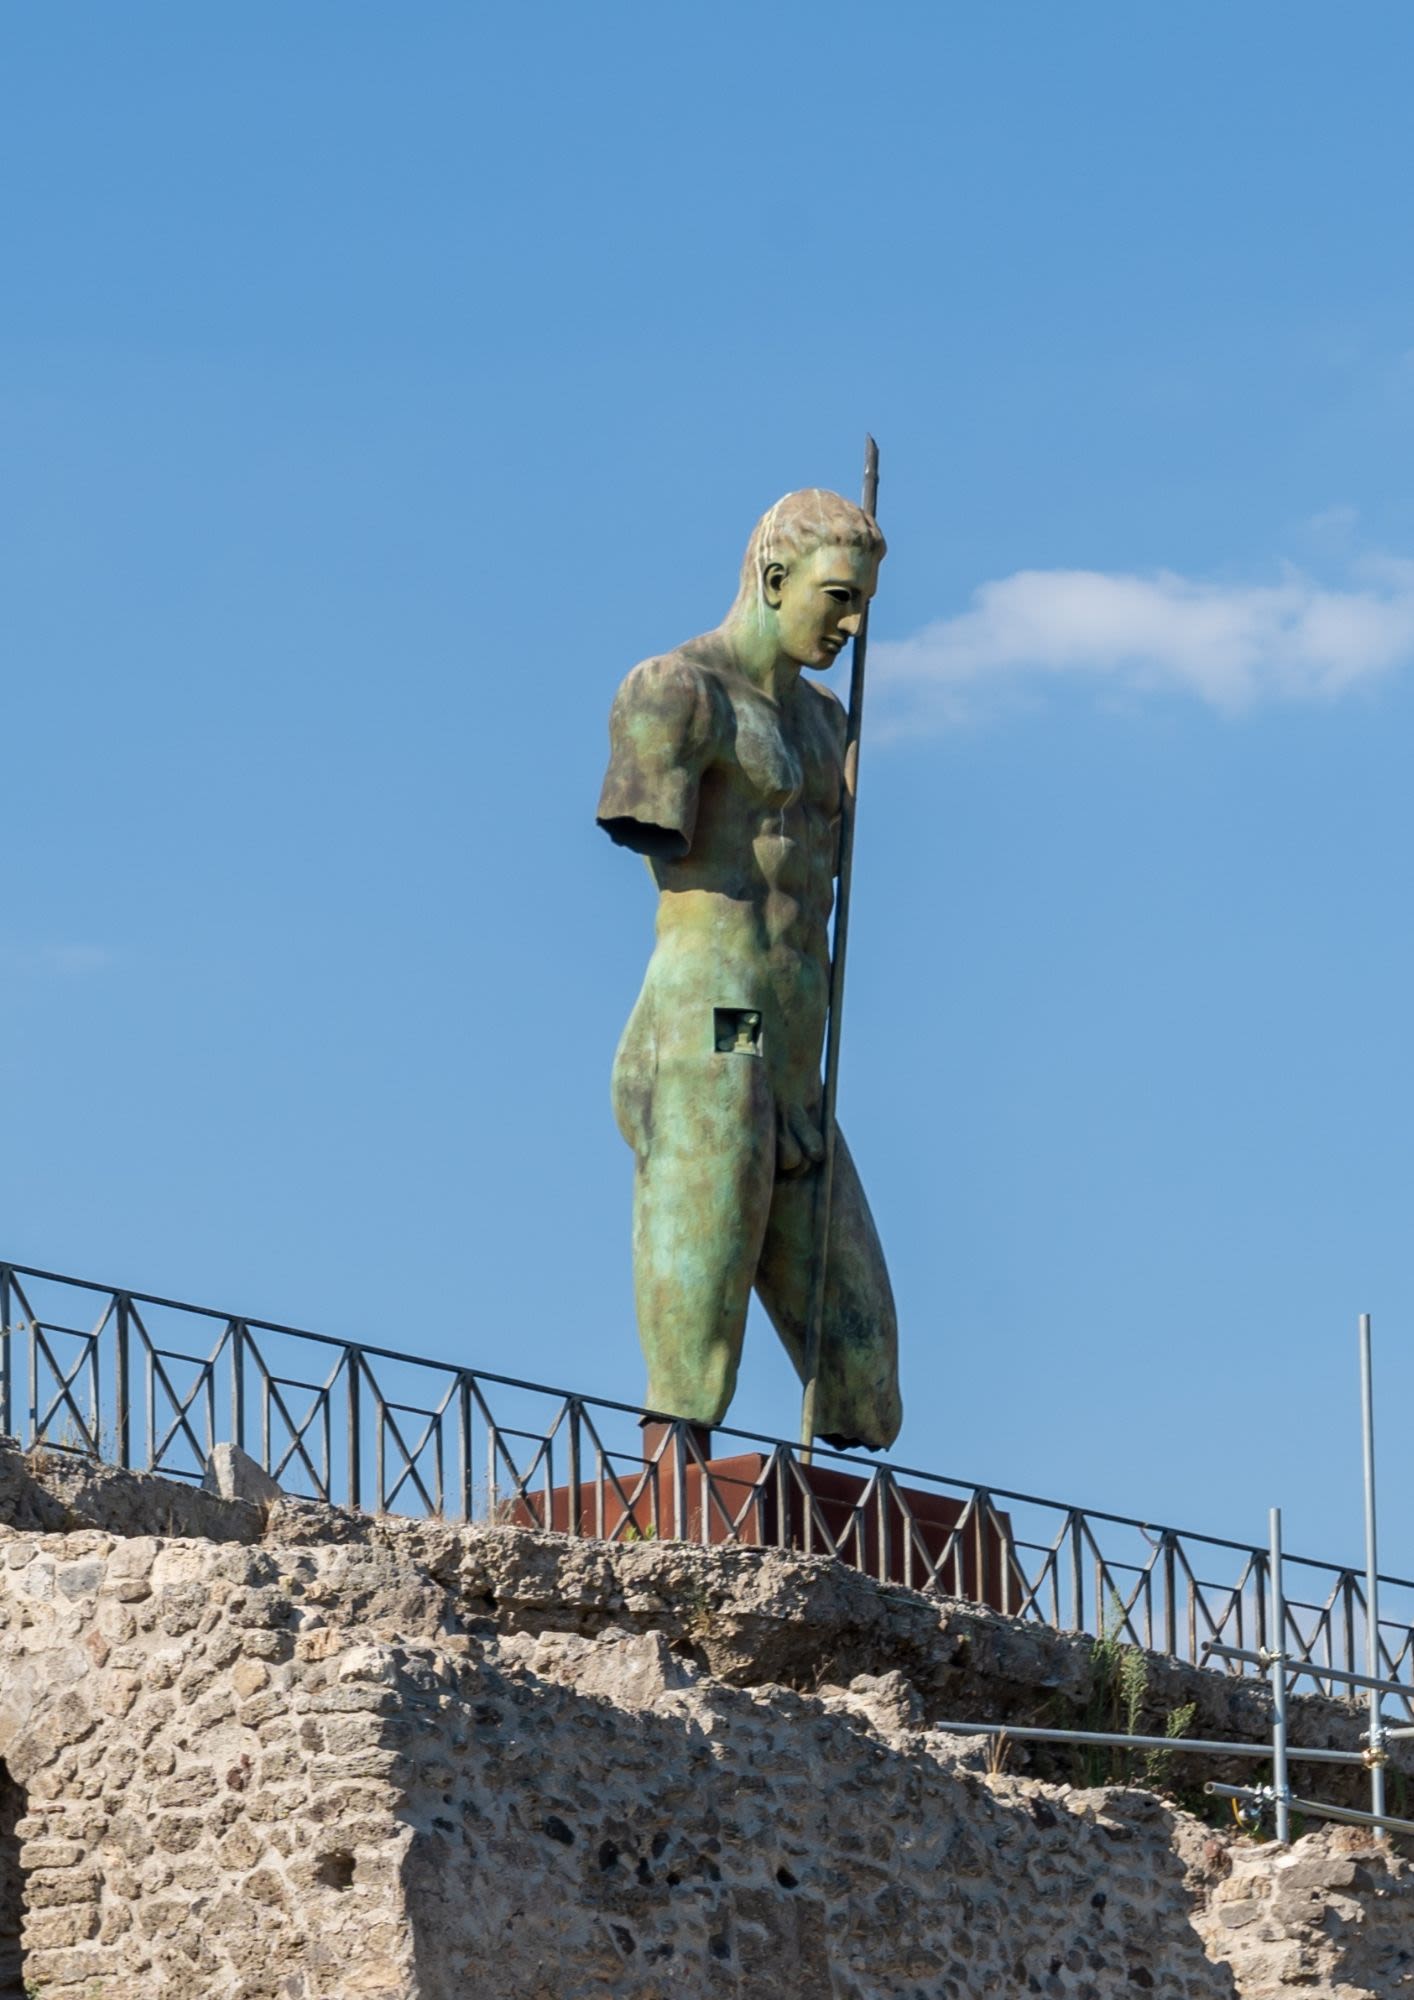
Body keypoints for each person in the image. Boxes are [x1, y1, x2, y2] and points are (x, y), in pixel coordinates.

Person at [596, 488, 902, 1451]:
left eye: (863, 607)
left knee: (864, 1369)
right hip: (716, 1021)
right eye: (837, 598)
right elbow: (663, 843)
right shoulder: (676, 689)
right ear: (775, 581)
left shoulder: (829, 730)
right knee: (700, 1318)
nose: (852, 625)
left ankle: (859, 1544)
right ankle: (667, 1496)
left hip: (799, 1053)